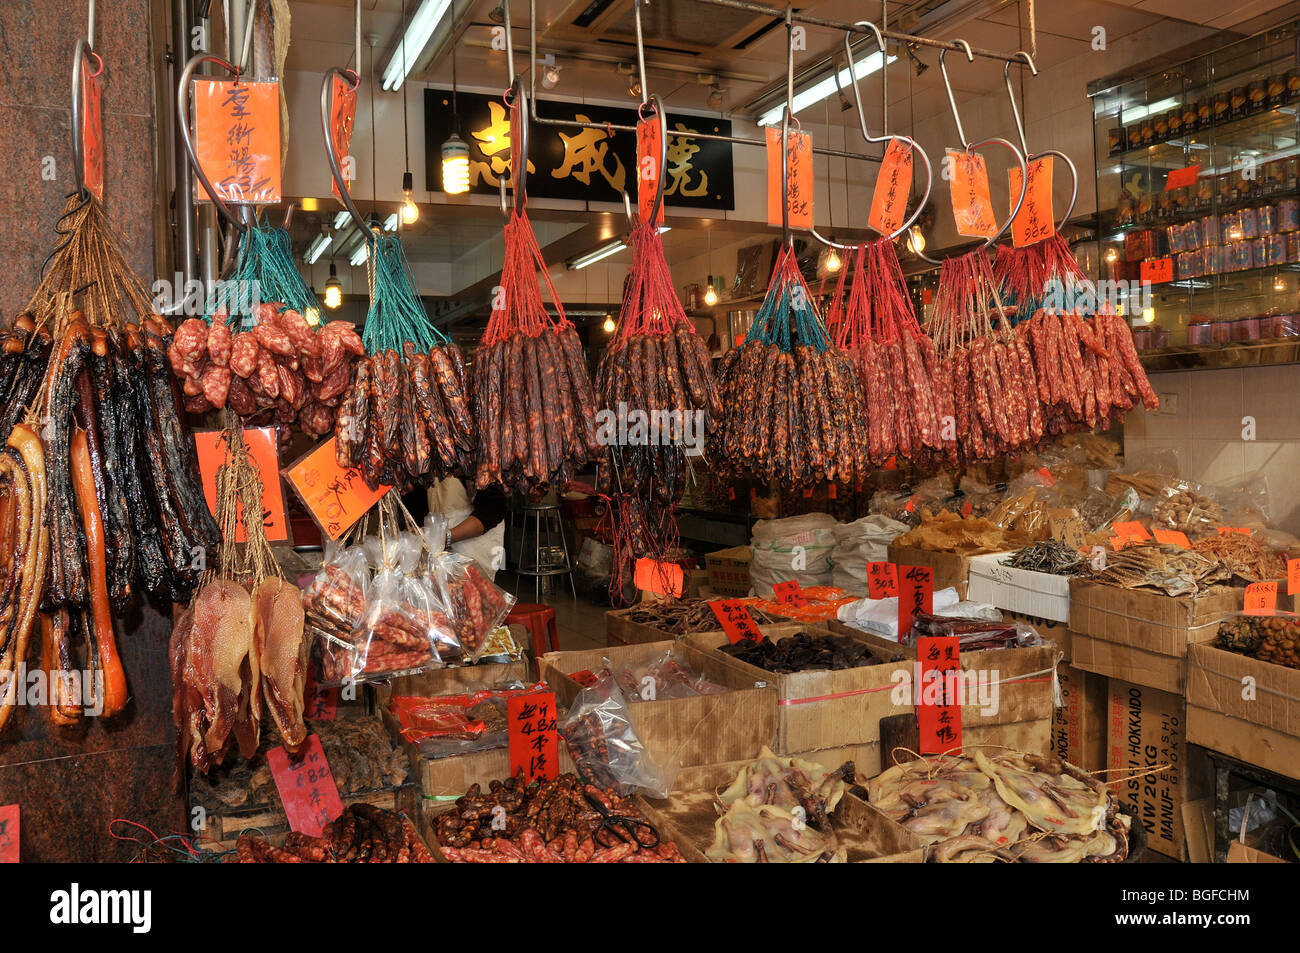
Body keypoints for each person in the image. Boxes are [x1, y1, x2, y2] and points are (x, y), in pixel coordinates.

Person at [403, 477, 508, 580]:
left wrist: (445, 537)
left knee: (474, 592)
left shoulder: (473, 465)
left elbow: (493, 509)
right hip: (440, 553)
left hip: (474, 549)